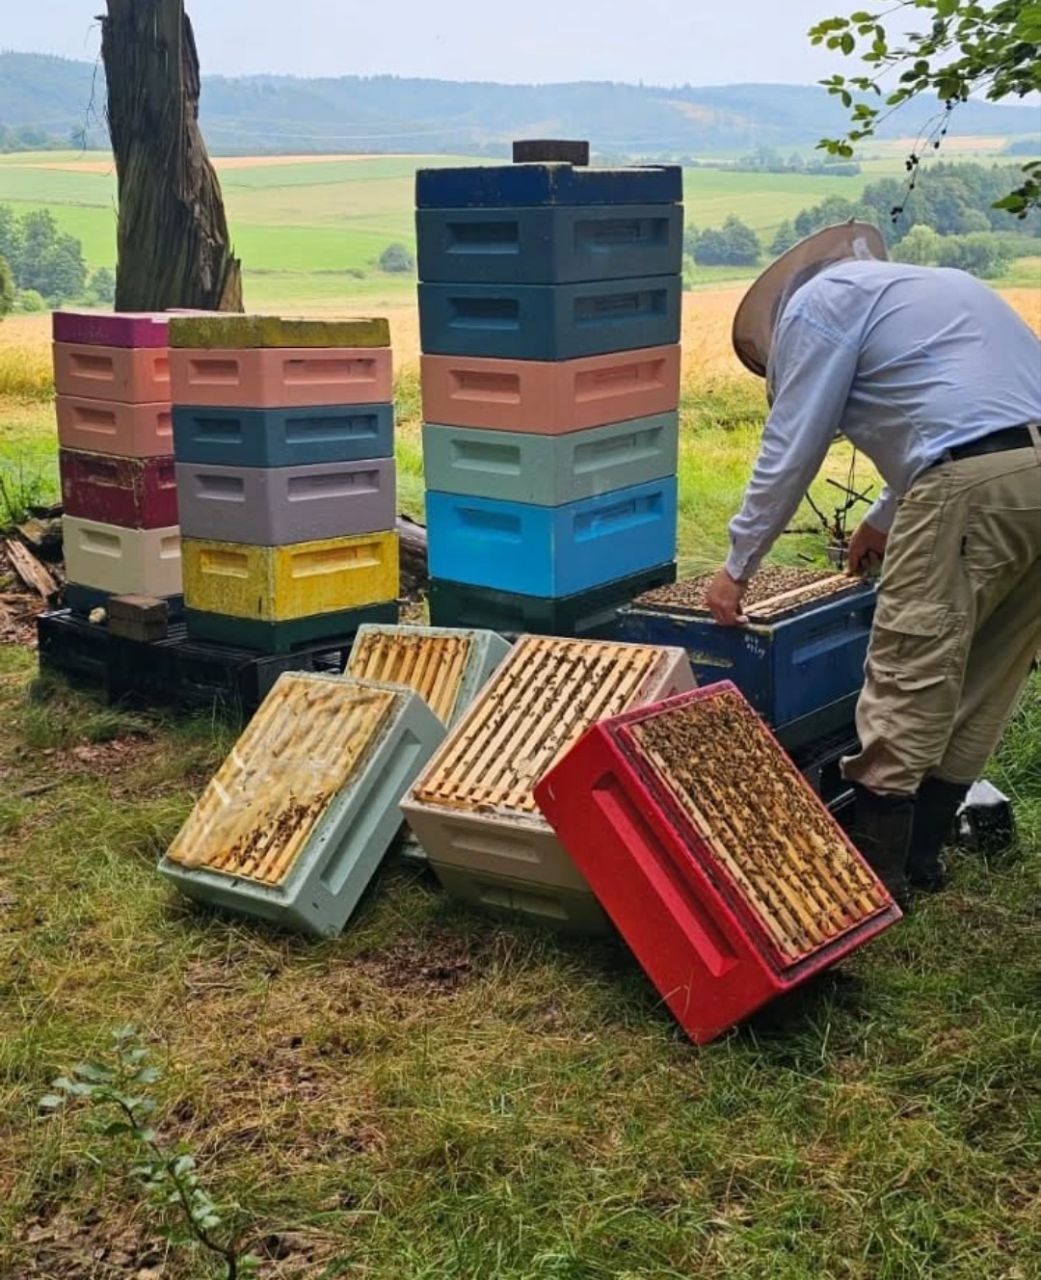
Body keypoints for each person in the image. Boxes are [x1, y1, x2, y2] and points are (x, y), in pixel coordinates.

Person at [704, 221, 1041, 900]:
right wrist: (883, 518)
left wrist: (736, 565)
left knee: (907, 671)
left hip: (969, 487)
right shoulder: (941, 286)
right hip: (1021, 471)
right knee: (985, 670)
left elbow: (792, 446)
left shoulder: (815, 308)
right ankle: (920, 860)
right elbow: (957, 412)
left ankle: (875, 883)